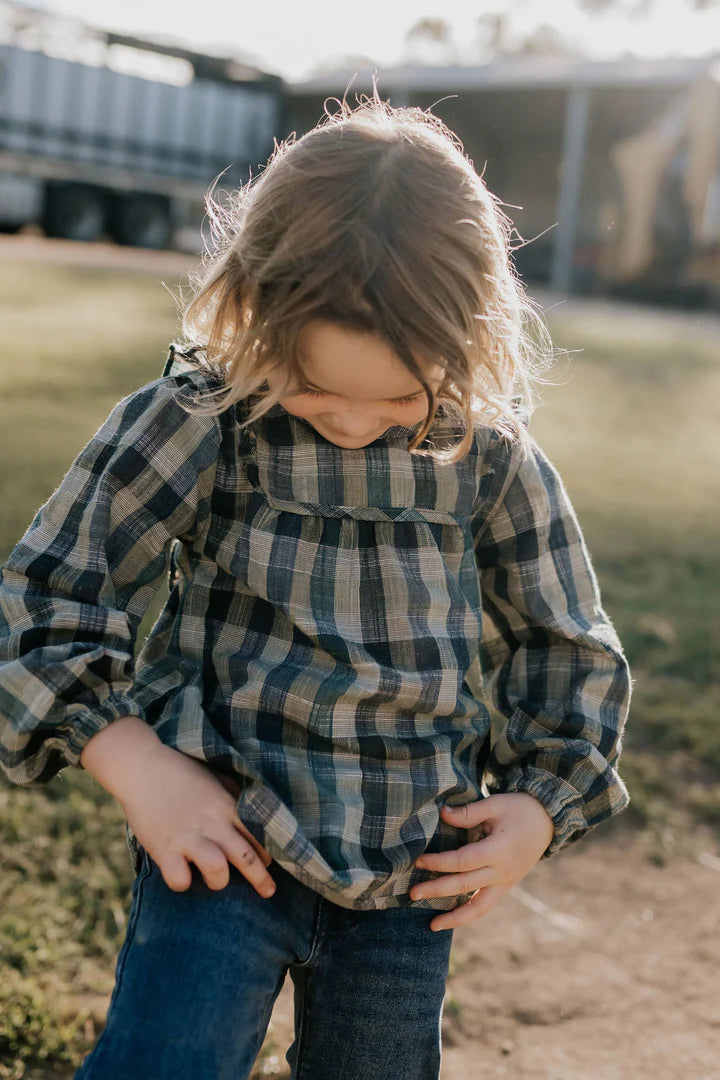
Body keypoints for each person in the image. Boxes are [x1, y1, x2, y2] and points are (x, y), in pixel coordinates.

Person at [0, 94, 631, 1080]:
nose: (349, 421)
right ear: (253, 312)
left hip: (413, 860)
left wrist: (541, 806)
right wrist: (138, 765)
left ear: (468, 345)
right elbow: (47, 595)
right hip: (223, 835)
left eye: (397, 398)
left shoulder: (490, 455)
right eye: (315, 388)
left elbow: (566, 641)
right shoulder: (200, 417)